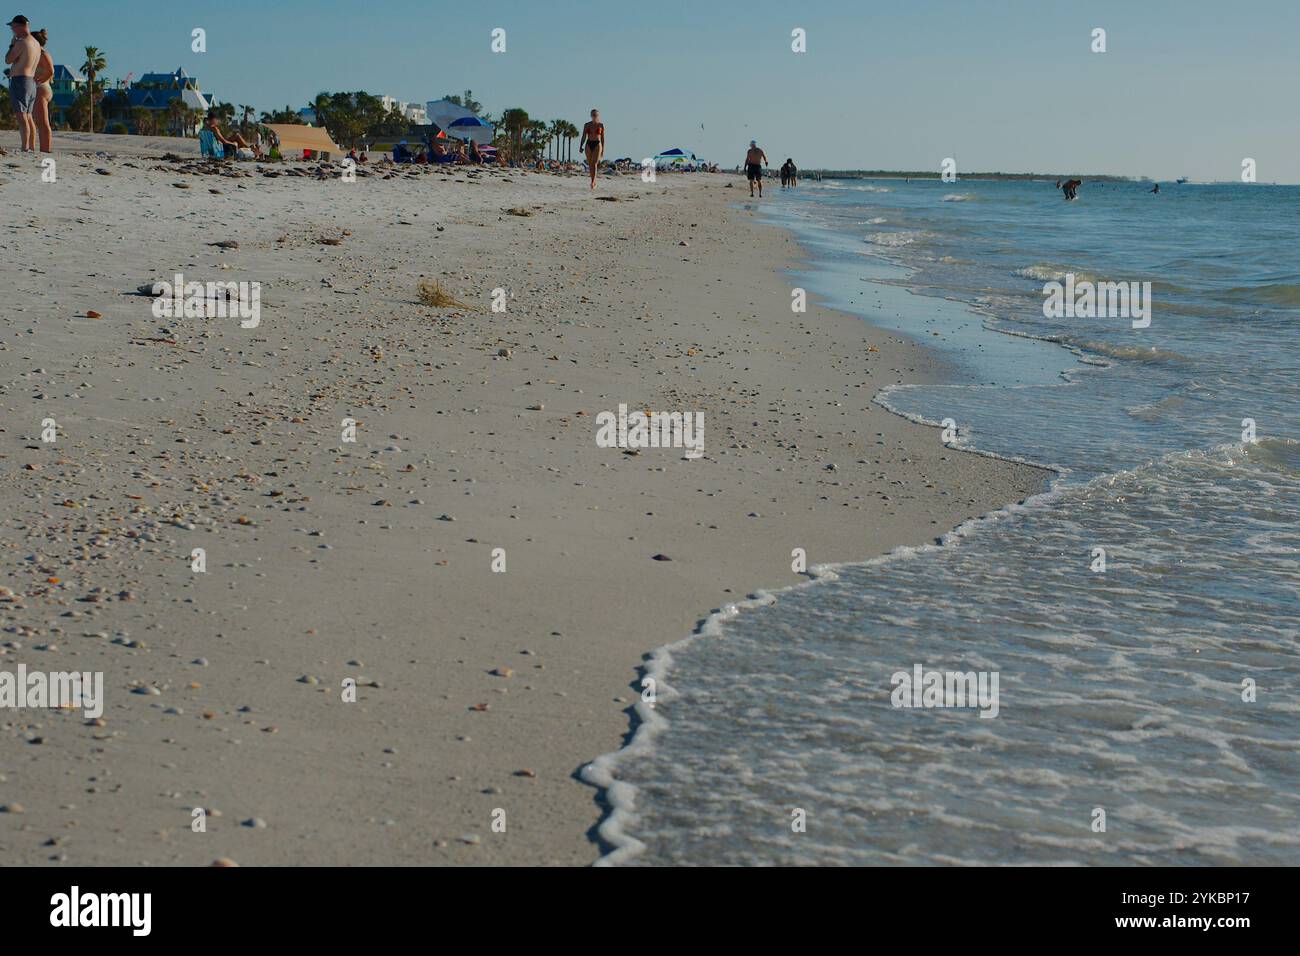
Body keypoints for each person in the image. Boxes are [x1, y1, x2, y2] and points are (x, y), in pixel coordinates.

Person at [5, 14, 39, 152]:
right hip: (31, 81)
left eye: (13, 27)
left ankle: (25, 146)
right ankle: (31, 146)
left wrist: (12, 44)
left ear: (19, 26)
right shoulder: (35, 43)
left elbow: (8, 59)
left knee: (22, 115)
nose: (13, 30)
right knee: (28, 115)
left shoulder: (22, 42)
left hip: (21, 80)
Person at [30, 25, 50, 153]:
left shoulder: (42, 53)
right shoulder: (36, 54)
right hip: (36, 88)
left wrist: (40, 80)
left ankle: (45, 149)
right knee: (31, 119)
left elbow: (51, 70)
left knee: (42, 121)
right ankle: (30, 147)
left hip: (41, 89)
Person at [579, 108, 604, 189]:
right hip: (588, 144)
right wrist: (581, 146)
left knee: (594, 163)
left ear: (598, 116)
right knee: (590, 164)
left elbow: (603, 138)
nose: (594, 116)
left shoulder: (601, 125)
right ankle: (592, 180)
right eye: (593, 115)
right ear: (590, 115)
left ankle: (593, 182)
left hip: (597, 144)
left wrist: (603, 150)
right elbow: (583, 136)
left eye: (595, 115)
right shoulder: (587, 125)